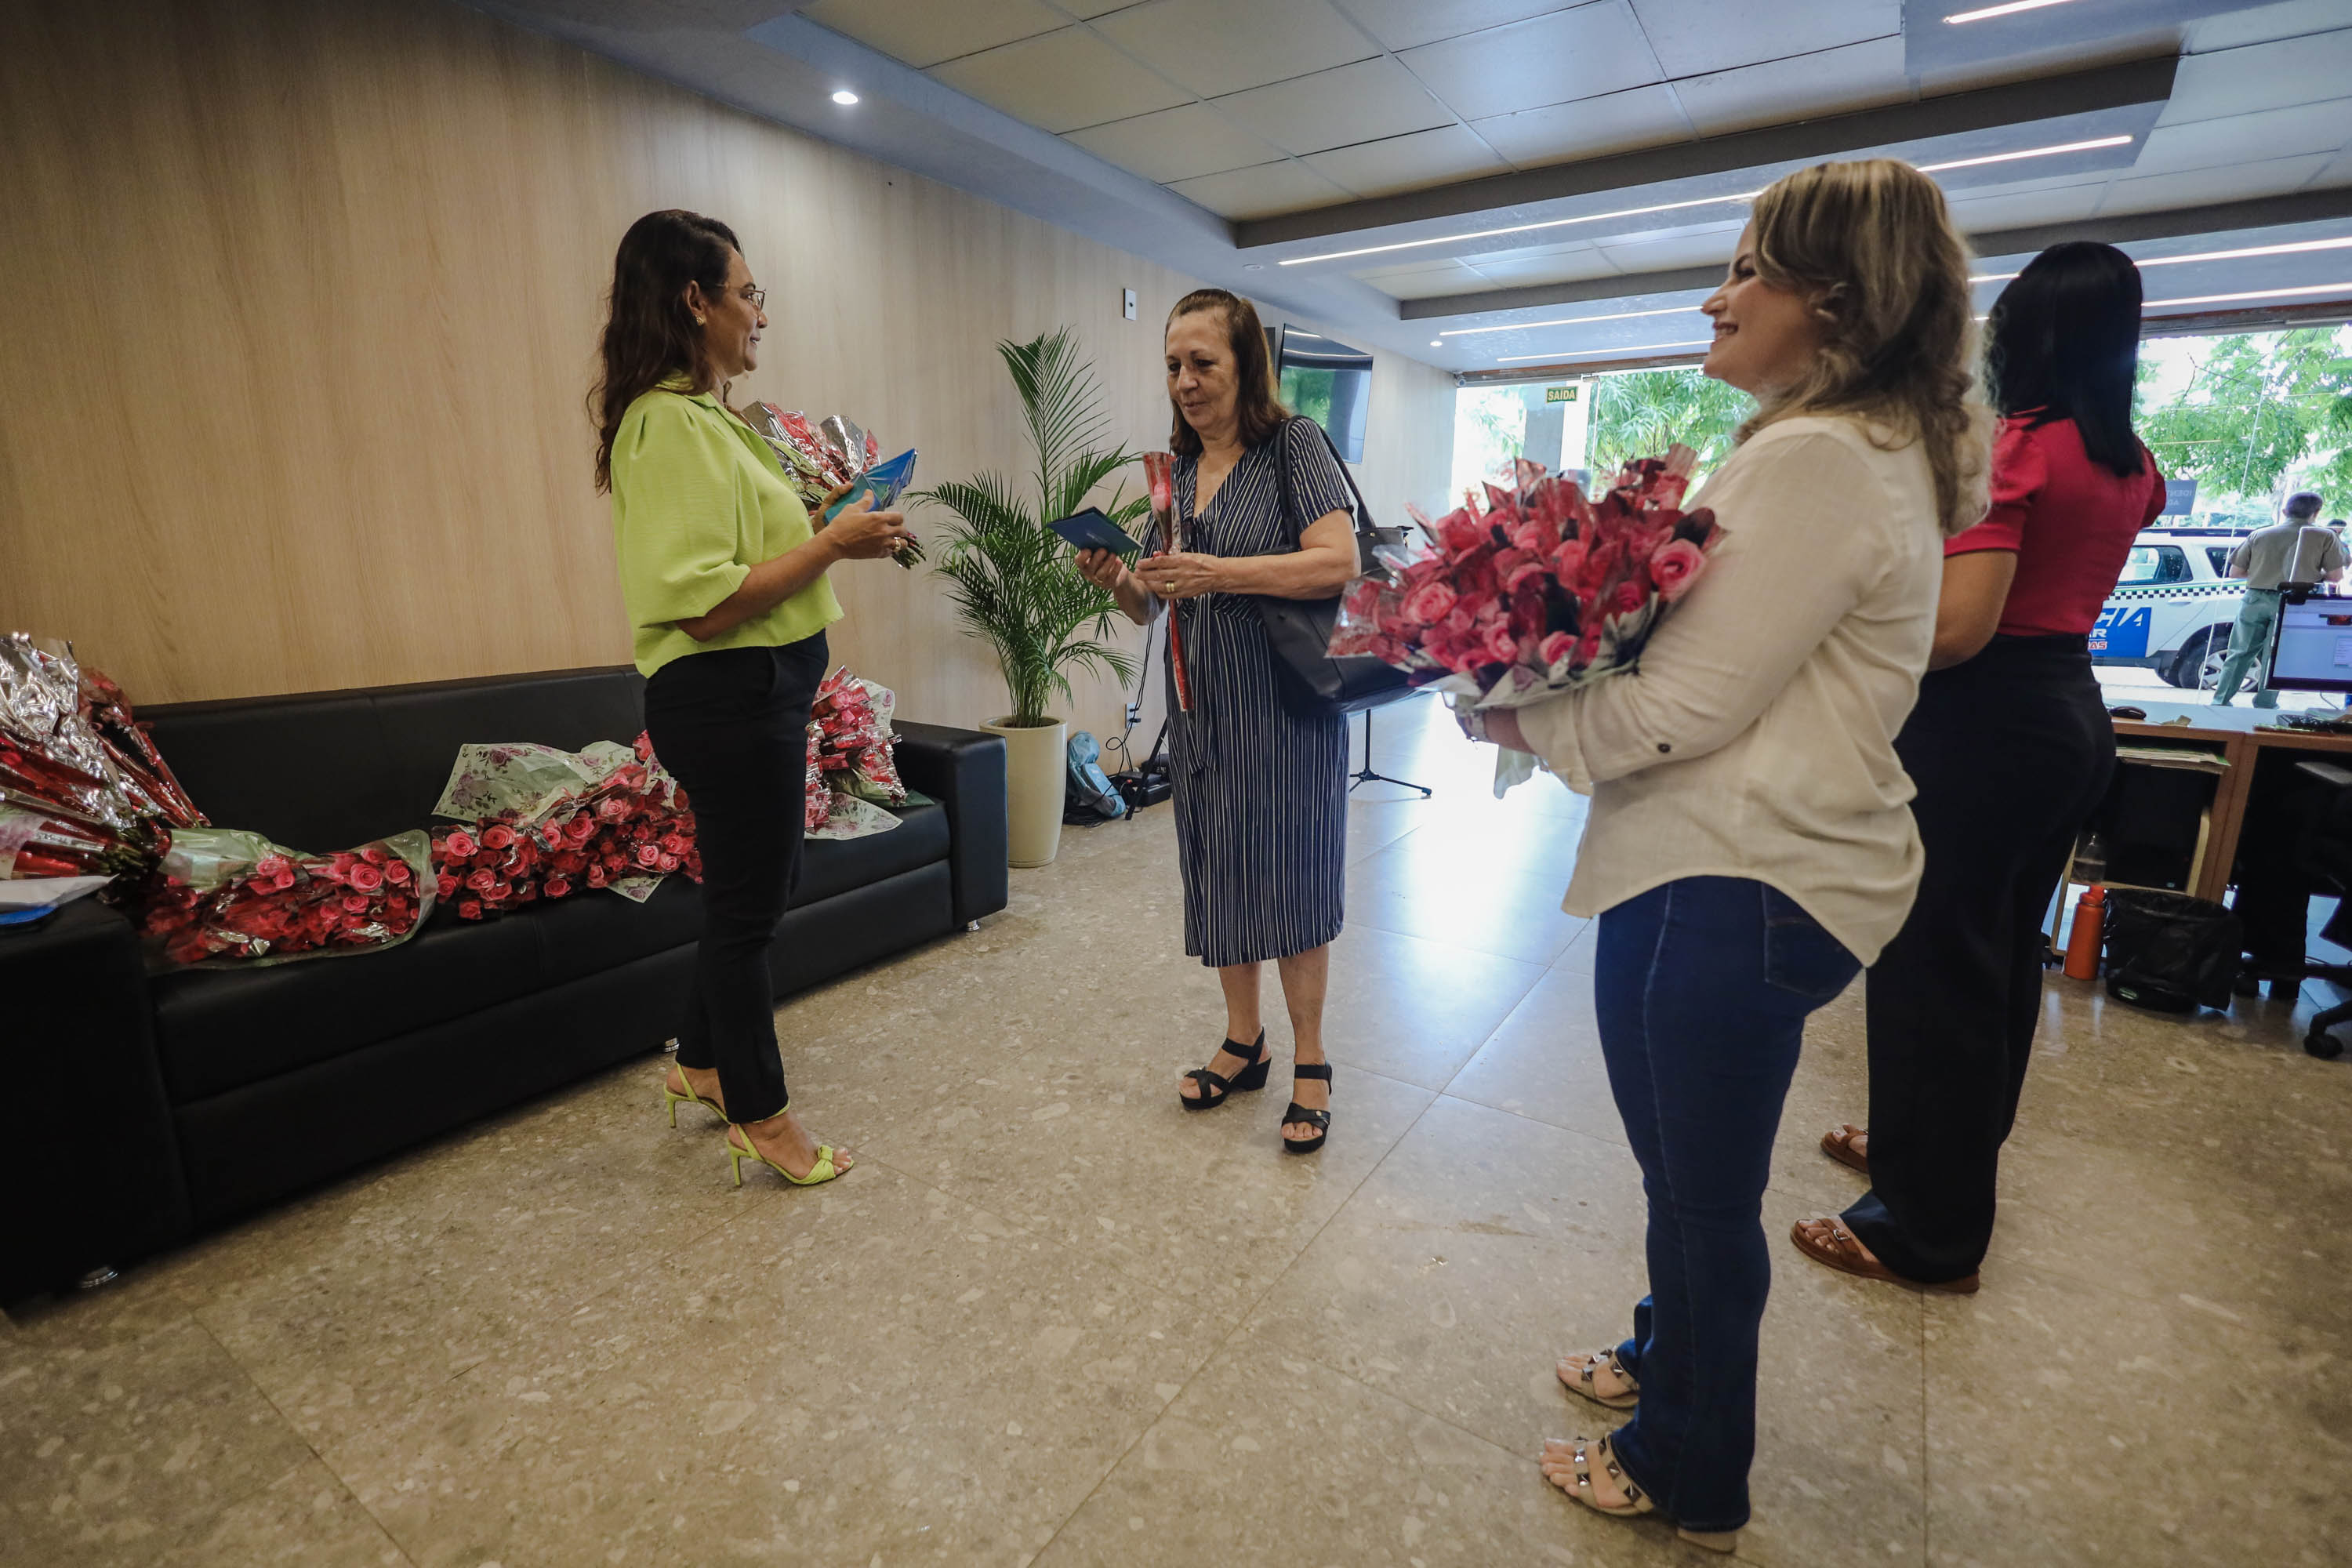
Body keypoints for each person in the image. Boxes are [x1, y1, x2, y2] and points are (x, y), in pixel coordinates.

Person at [1474, 159, 1987, 1551]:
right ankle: (1670, 1356)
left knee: (1705, 1193)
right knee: (1677, 1171)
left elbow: (1694, 700)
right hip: (1711, 859)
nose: (1719, 294)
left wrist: (1506, 705)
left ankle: (1691, 1466)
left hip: (1743, 872)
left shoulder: (1824, 457)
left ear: (1834, 297)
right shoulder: (1840, 445)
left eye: (1748, 268)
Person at [1795, 242, 2167, 1294]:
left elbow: (1960, 630)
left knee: (1930, 966)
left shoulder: (2019, 449)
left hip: (1985, 718)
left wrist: (1834, 639)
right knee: (1997, 960)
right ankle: (1937, 1151)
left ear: (2030, 333)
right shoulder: (2130, 461)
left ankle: (1926, 1230)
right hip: (2070, 714)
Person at [594, 209, 911, 1187]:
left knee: (760, 890)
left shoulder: (711, 421)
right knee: (748, 910)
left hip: (762, 692)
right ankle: (763, 1116)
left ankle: (700, 1062)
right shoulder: (664, 424)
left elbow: (747, 556)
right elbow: (699, 604)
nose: (760, 313)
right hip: (724, 695)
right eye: (749, 292)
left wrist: (830, 524)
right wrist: (829, 546)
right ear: (696, 301)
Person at [1073, 289, 1360, 1153]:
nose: (1186, 382)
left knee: (1293, 885)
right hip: (1200, 719)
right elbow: (1152, 605)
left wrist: (1222, 570)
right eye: (1173, 365)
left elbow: (1336, 559)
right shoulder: (1171, 472)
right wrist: (1116, 580)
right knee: (1224, 880)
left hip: (1285, 714)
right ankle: (1247, 1039)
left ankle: (1312, 1057)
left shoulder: (1292, 448)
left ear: (1245, 368)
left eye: (1204, 363)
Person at [2213, 490, 2343, 706]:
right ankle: (2265, 704)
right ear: (2316, 512)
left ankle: (2220, 701)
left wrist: (2263, 572)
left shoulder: (2260, 534)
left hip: (2254, 599)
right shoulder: (2325, 536)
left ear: (2285, 511)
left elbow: (2235, 572)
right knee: (2276, 657)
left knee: (2239, 652)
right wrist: (2310, 572)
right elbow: (2335, 577)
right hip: (2295, 602)